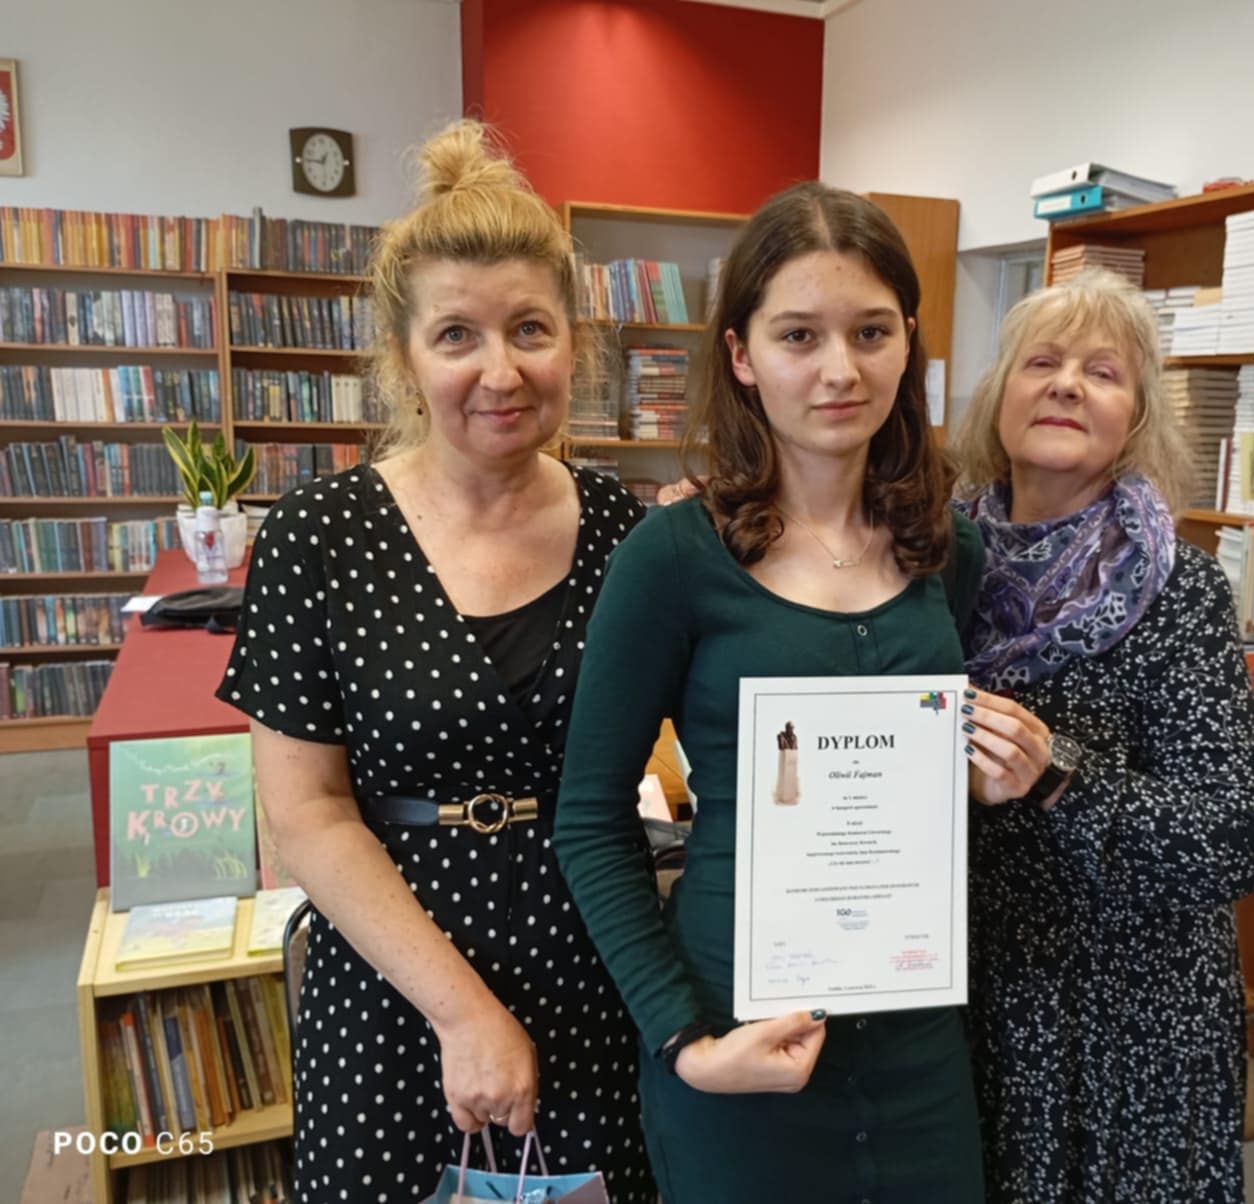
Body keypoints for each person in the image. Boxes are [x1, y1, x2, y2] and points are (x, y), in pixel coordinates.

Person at [217, 120, 656, 1202]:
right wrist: (464, 1014)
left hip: (594, 972)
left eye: (530, 329)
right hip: (396, 987)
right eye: (457, 334)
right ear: (405, 358)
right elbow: (308, 813)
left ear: (573, 344)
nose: (500, 371)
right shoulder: (318, 538)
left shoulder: (630, 534)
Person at [554, 182, 1015, 1203]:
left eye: (871, 332)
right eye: (799, 335)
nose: (840, 368)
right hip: (739, 1039)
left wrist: (987, 778)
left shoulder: (949, 551)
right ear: (741, 354)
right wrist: (684, 1039)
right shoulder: (670, 558)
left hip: (916, 1045)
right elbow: (588, 818)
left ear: (909, 343)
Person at [952, 268, 1254, 1203]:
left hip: (1128, 1020)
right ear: (1000, 394)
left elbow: (1236, 837)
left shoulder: (1181, 589)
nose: (1066, 385)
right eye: (1041, 362)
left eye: (1102, 372)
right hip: (970, 992)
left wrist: (1061, 775)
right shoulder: (933, 564)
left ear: (1135, 418)